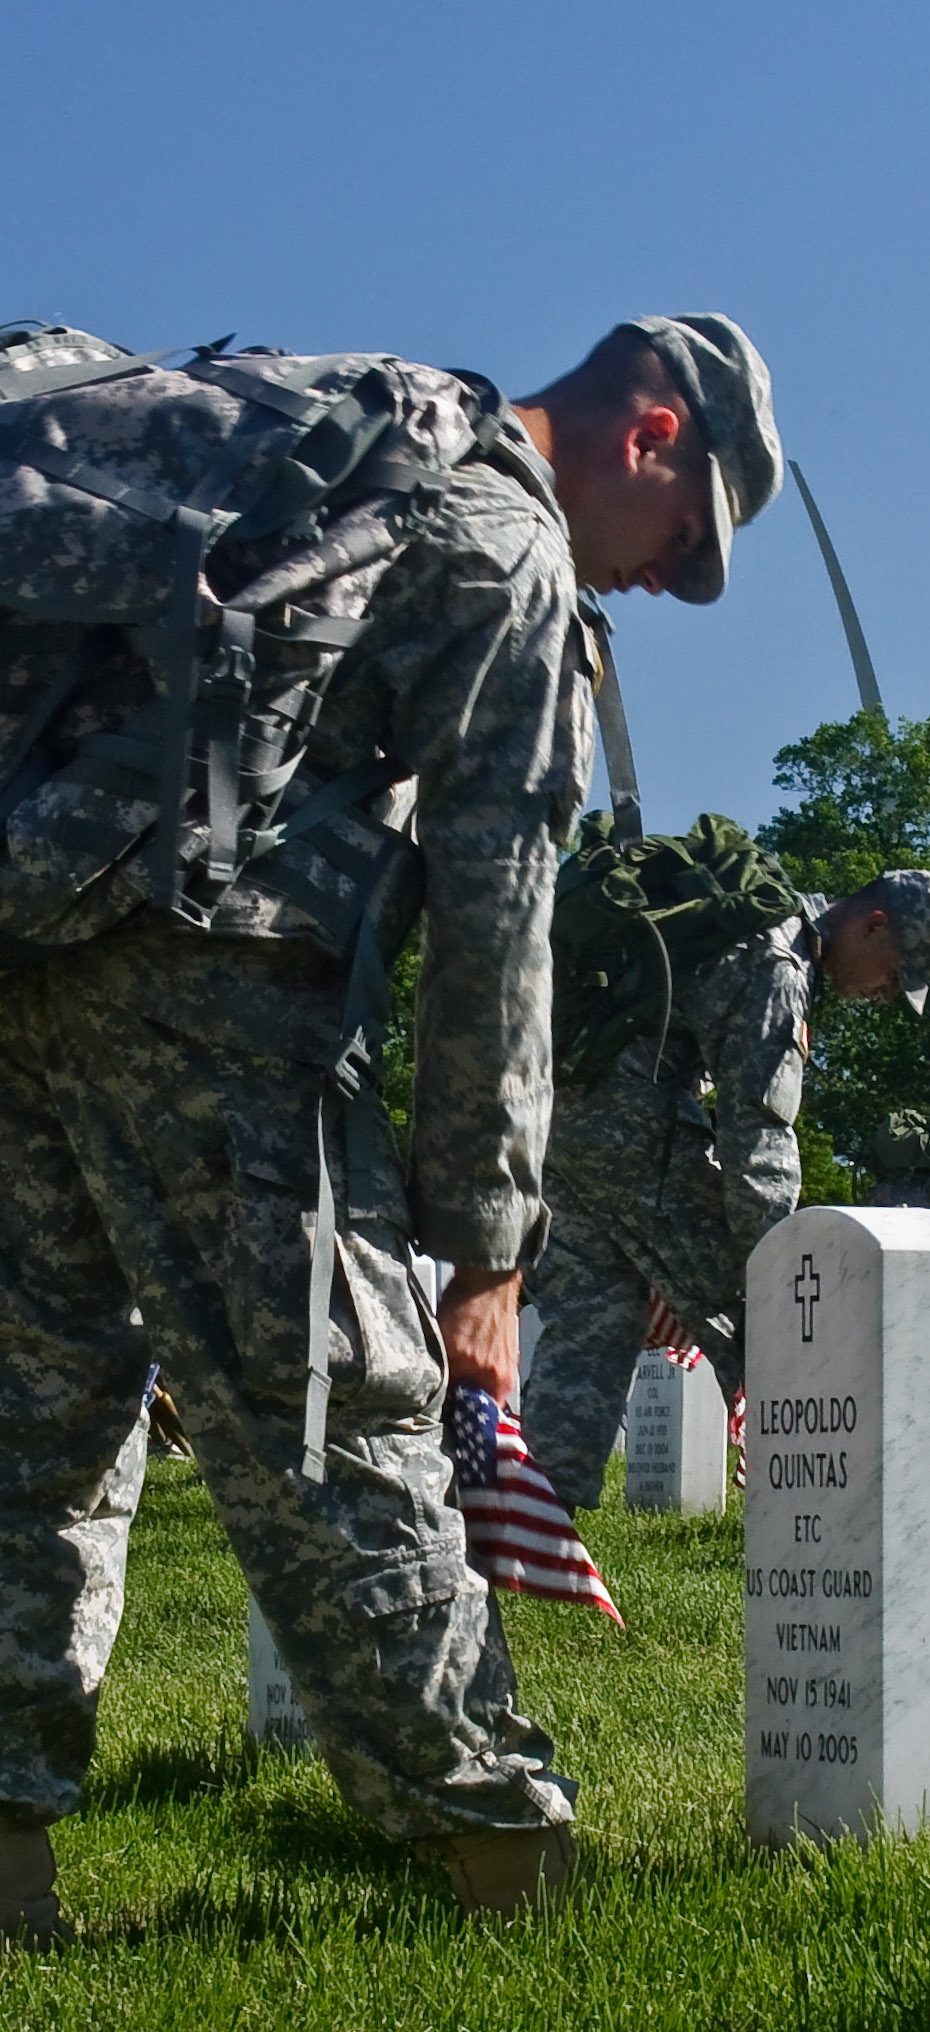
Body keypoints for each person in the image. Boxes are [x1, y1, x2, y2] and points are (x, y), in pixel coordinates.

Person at [0, 312, 782, 1940]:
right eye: (688, 537)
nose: (665, 578)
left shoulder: (320, 432)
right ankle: (503, 1856)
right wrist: (486, 1247)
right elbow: (500, 919)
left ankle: (6, 1862)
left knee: (32, 1430)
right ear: (654, 434)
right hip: (211, 996)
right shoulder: (501, 546)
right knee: (345, 1427)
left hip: (25, 931)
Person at [520, 869, 930, 1511]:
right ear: (873, 925)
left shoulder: (753, 924)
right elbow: (757, 1143)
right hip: (629, 1136)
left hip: (553, 1119)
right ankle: (820, 1514)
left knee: (595, 1321)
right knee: (762, 1317)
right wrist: (781, 1265)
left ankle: (535, 1521)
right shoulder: (780, 964)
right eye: (896, 973)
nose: (887, 994)